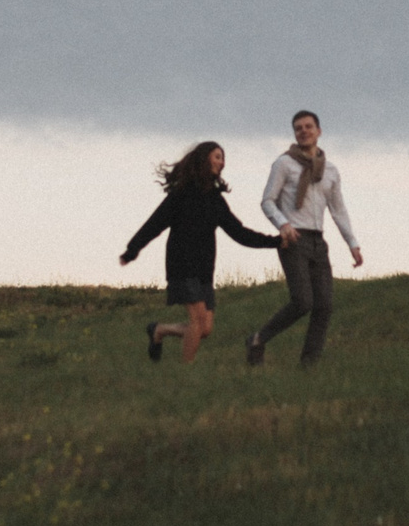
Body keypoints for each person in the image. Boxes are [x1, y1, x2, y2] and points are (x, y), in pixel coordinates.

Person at [119, 142, 280, 364]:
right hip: (181, 264)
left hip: (204, 269)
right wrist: (132, 250)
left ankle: (159, 330)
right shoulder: (180, 194)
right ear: (204, 159)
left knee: (205, 329)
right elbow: (154, 224)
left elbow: (239, 233)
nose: (222, 162)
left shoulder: (216, 200)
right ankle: (186, 371)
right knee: (196, 320)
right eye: (217, 157)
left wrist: (276, 242)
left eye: (223, 158)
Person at [249, 109, 362, 368]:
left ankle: (308, 365)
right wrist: (283, 224)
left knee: (324, 305)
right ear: (294, 133)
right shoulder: (284, 164)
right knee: (302, 302)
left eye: (308, 126)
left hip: (318, 241)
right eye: (298, 128)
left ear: (318, 131)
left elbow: (338, 210)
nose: (304, 131)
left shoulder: (330, 170)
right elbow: (268, 201)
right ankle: (257, 339)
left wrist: (352, 244)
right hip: (293, 239)